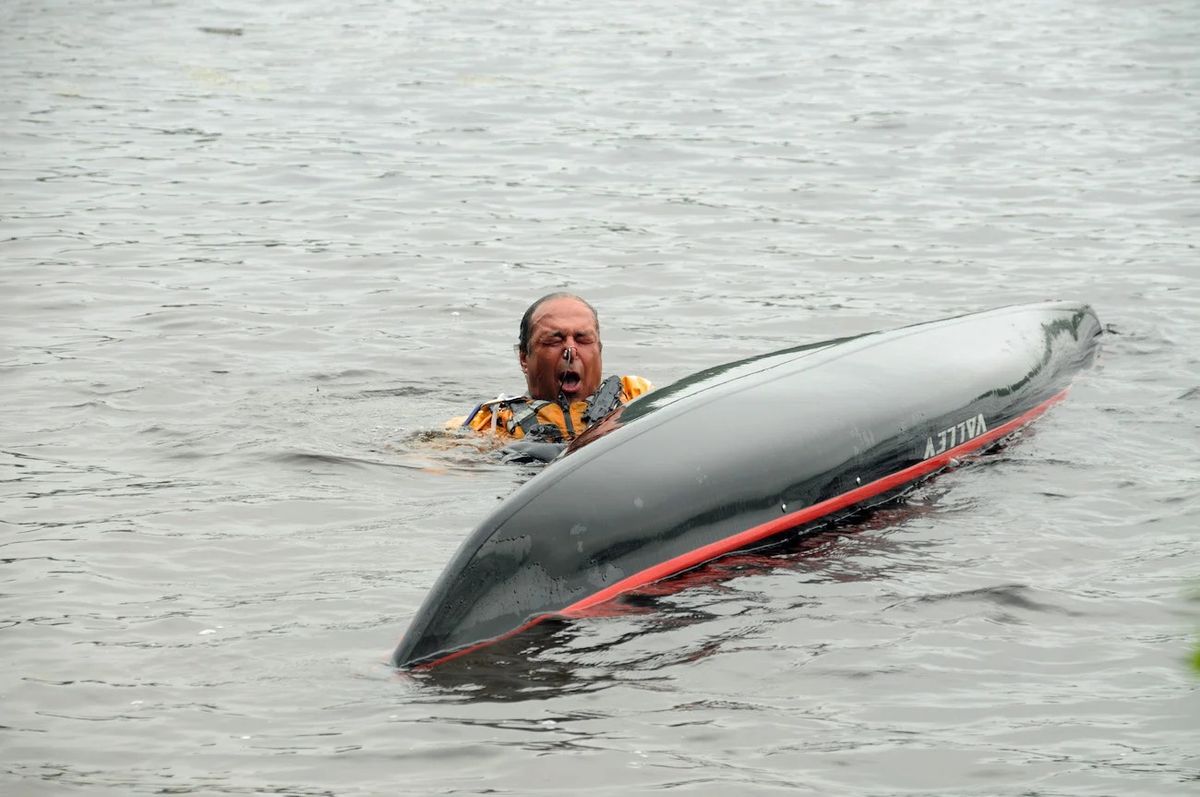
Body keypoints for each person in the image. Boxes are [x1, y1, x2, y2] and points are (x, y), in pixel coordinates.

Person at [460, 293, 652, 444]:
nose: (571, 351)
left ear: (599, 350)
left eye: (583, 339)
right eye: (554, 340)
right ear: (524, 358)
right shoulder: (490, 424)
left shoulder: (639, 398)